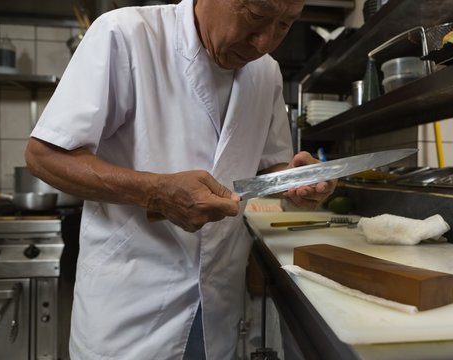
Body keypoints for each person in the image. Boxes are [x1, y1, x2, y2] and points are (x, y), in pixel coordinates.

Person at [24, 0, 336, 359]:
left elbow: (266, 168)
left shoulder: (266, 73)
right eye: (256, 16)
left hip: (217, 307)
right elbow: (43, 155)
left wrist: (300, 179)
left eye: (285, 25)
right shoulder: (126, 35)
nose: (264, 42)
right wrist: (155, 192)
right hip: (130, 315)